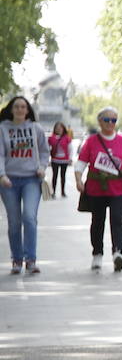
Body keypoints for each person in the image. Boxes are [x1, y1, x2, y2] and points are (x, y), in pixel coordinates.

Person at [75, 106, 122, 272]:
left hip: (118, 189)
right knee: (97, 222)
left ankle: (118, 252)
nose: (110, 123)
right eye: (107, 120)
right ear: (100, 121)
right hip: (96, 189)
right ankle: (97, 253)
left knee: (117, 219)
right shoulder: (91, 141)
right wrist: (78, 180)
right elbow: (81, 163)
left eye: (114, 120)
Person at [0, 96, 50, 275]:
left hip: (31, 179)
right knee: (14, 222)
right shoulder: (3, 129)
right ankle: (16, 259)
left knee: (29, 217)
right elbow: (0, 154)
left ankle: (31, 259)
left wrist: (42, 167)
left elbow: (45, 151)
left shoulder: (35, 129)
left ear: (28, 110)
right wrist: (2, 175)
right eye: (17, 107)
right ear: (11, 109)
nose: (20, 110)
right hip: (9, 181)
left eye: (23, 107)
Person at [48, 122, 73, 197]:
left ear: (63, 129)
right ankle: (53, 192)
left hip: (64, 160)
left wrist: (70, 158)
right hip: (55, 159)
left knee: (63, 176)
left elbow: (70, 149)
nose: (59, 130)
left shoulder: (67, 138)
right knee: (54, 176)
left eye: (60, 128)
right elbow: (47, 149)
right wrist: (48, 159)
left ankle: (63, 192)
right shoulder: (51, 138)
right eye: (57, 128)